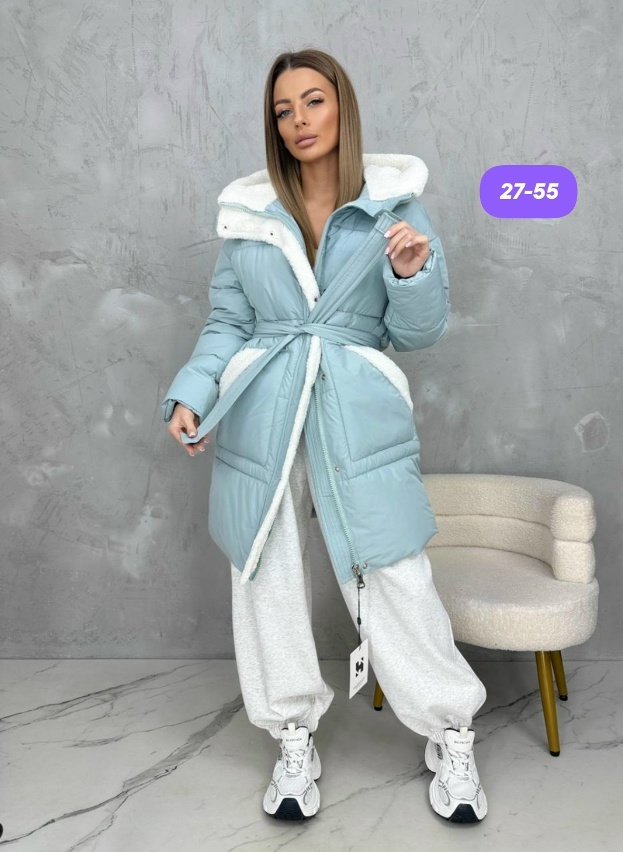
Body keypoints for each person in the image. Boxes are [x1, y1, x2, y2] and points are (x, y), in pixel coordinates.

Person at [162, 48, 489, 825]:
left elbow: (419, 333)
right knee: (265, 570)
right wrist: (193, 392)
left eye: (313, 101)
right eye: (284, 110)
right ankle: (292, 735)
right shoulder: (249, 217)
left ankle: (449, 731)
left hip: (354, 405)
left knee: (392, 568)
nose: (299, 120)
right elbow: (229, 321)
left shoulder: (395, 210)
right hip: (264, 407)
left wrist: (411, 274)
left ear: (342, 107)